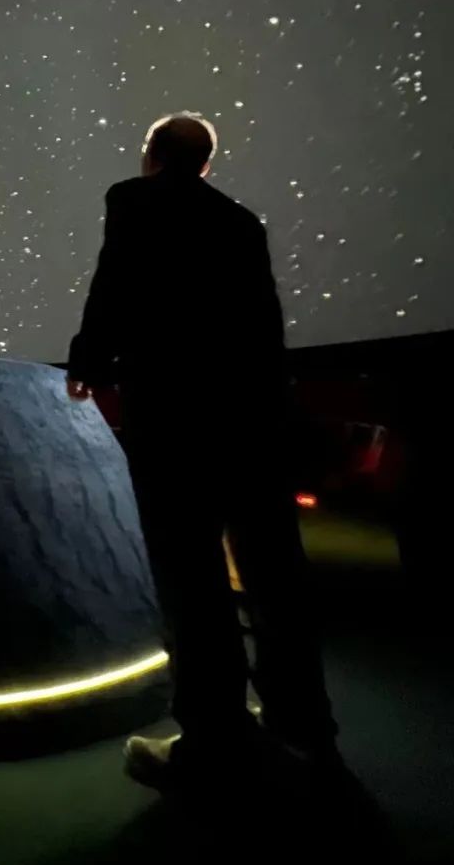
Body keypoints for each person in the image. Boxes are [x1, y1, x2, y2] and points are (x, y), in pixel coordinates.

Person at [67, 112, 339, 790]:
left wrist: (88, 359)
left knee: (191, 577)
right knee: (274, 571)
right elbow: (265, 319)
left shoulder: (132, 199)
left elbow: (115, 281)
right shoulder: (241, 220)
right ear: (207, 165)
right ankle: (304, 724)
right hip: (252, 418)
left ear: (151, 156)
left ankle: (214, 740)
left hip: (175, 417)